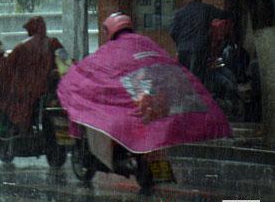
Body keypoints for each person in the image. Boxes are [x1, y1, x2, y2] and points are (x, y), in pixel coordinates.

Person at [58, 12, 231, 156]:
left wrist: (72, 78)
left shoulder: (110, 51)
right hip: (157, 102)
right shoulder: (146, 42)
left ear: (109, 30)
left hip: (144, 106)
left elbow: (89, 72)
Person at [0, 16, 63, 136]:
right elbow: (67, 64)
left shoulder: (22, 47)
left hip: (27, 95)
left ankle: (17, 130)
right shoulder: (54, 43)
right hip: (50, 92)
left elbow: (6, 68)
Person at [170, 0, 230, 83]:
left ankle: (187, 96)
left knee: (185, 78)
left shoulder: (179, 13)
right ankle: (199, 96)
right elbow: (224, 15)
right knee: (198, 78)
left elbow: (173, 32)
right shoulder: (206, 8)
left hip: (183, 50)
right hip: (200, 49)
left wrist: (180, 43)